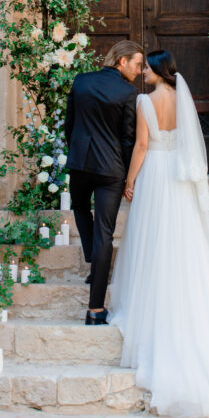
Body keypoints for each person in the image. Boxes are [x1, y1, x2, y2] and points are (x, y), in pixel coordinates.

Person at [108, 49, 209, 416]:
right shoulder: (182, 98)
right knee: (183, 237)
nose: (142, 73)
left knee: (151, 239)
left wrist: (130, 181)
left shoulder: (145, 100)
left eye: (146, 68)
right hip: (179, 173)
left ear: (157, 71)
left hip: (157, 171)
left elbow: (142, 145)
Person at [64, 39, 144, 325]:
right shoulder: (128, 93)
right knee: (105, 234)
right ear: (121, 61)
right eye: (136, 65)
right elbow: (127, 138)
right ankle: (95, 309)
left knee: (81, 210)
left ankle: (94, 264)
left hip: (80, 163)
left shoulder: (81, 81)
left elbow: (69, 124)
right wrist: (127, 175)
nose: (139, 71)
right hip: (111, 168)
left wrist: (74, 149)